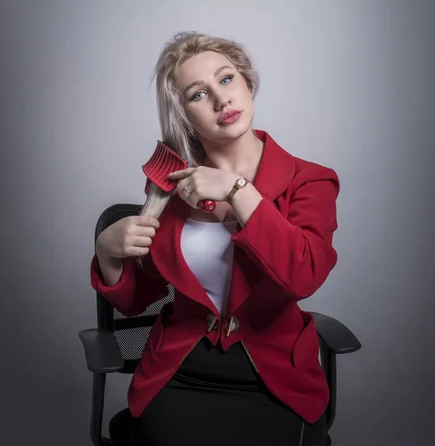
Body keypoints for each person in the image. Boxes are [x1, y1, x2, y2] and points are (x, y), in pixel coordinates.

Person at [91, 32, 340, 446]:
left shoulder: (310, 180)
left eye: (226, 80)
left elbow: (304, 275)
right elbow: (139, 300)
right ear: (184, 116)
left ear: (247, 83)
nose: (221, 100)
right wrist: (107, 255)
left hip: (278, 380)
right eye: (198, 94)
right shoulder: (169, 189)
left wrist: (236, 190)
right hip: (179, 374)